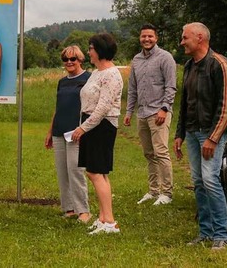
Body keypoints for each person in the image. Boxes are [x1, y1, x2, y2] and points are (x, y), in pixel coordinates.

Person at [173, 22, 227, 250]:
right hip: (191, 132)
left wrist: (213, 137)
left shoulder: (221, 64)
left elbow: (226, 107)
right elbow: (184, 103)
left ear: (199, 38)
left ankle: (222, 235)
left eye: (184, 37)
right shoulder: (189, 66)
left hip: (210, 134)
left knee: (210, 180)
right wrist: (179, 133)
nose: (181, 42)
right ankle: (205, 232)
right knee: (198, 182)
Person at [71, 33, 123, 235]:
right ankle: (103, 218)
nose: (88, 52)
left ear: (100, 50)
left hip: (102, 125)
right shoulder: (96, 73)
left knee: (94, 172)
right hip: (92, 124)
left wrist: (83, 128)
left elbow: (103, 107)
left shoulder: (112, 74)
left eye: (91, 48)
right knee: (99, 172)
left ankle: (109, 222)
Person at [124, 24, 177, 206]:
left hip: (159, 112)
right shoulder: (136, 60)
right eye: (143, 36)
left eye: (150, 36)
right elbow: (133, 88)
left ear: (156, 38)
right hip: (143, 113)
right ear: (140, 38)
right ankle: (154, 191)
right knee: (148, 153)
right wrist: (129, 111)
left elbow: (171, 86)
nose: (146, 39)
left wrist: (164, 108)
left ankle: (167, 193)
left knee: (161, 151)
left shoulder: (165, 58)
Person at [45, 45, 92, 224]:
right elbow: (58, 108)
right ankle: (69, 208)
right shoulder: (62, 82)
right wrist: (50, 131)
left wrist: (85, 128)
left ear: (80, 59)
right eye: (65, 59)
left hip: (77, 132)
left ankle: (84, 211)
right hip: (59, 131)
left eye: (73, 59)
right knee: (62, 171)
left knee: (76, 170)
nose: (69, 62)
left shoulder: (89, 79)